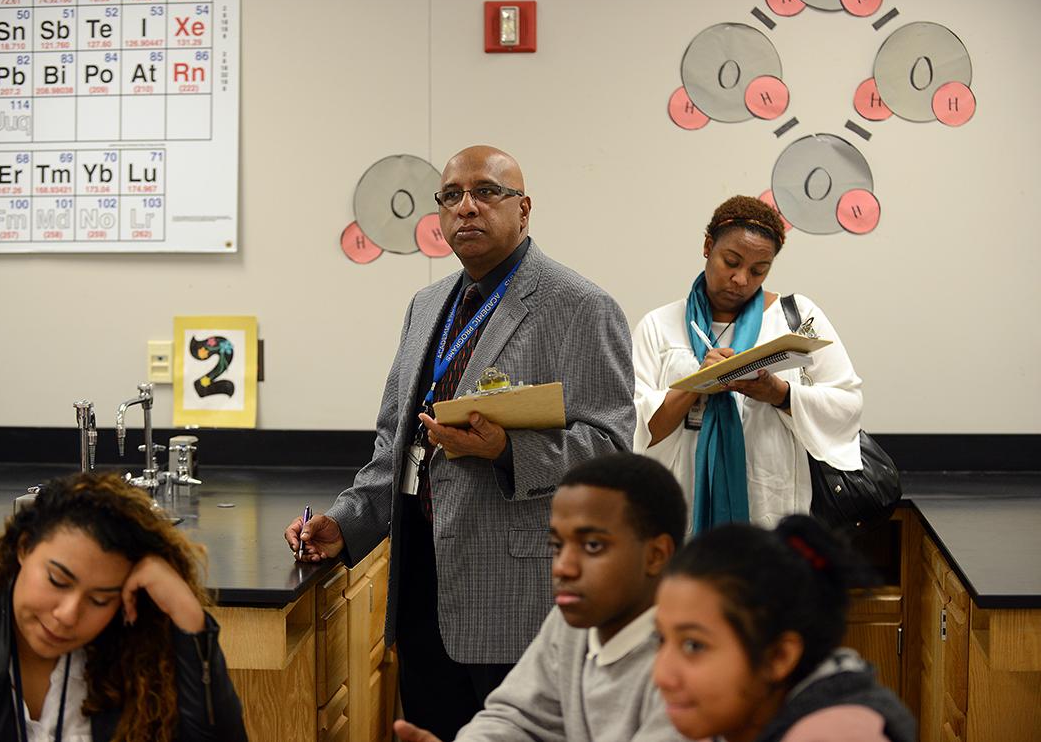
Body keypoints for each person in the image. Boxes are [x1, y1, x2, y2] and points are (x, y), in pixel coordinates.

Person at [286, 145, 636, 738]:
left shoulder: (580, 306)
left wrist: (506, 450)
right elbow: (395, 445)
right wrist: (345, 522)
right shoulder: (426, 307)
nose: (466, 207)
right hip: (423, 585)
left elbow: (611, 448)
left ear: (523, 210)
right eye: (451, 196)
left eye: (485, 192)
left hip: (518, 598)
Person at [393, 452, 688, 742]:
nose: (562, 567)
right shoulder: (569, 625)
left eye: (594, 546)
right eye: (557, 546)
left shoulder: (688, 670)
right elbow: (516, 717)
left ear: (656, 555)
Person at [631, 195, 863, 532]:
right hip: (681, 514)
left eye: (758, 270)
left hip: (774, 510)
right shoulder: (659, 325)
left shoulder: (797, 318)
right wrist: (700, 382)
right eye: (731, 261)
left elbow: (848, 405)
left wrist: (779, 393)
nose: (741, 279)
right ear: (708, 246)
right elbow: (636, 427)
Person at [0, 472, 247, 742]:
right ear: (24, 548)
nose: (68, 615)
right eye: (57, 581)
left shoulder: (135, 651)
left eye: (100, 600)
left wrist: (190, 618)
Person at [653, 514, 915, 742]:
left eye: (693, 645)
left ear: (778, 656)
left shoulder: (837, 736)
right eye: (661, 639)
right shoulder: (735, 720)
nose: (661, 676)